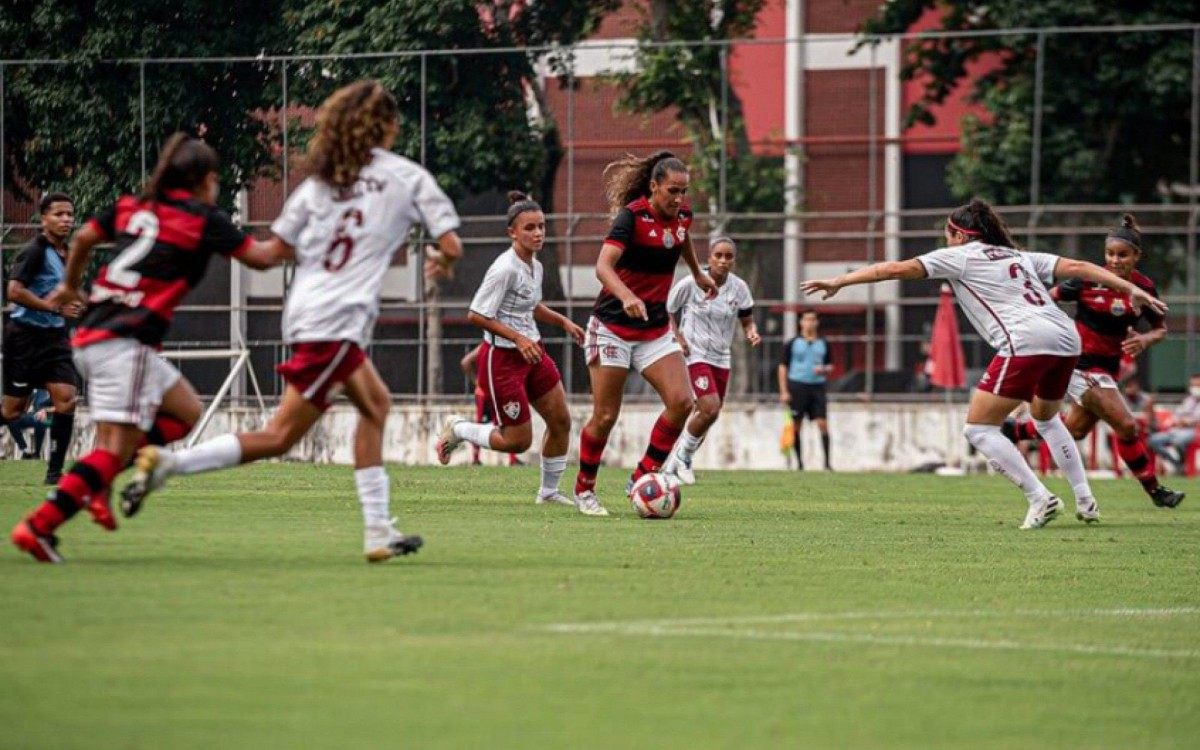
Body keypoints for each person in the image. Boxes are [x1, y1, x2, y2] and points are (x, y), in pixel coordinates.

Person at [120, 79, 463, 563]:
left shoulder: (318, 186)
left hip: (307, 313)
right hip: (337, 322)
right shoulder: (407, 177)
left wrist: (206, 224)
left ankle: (379, 530)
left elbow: (266, 256)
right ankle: (169, 465)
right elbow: (451, 243)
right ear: (386, 126)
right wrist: (442, 263)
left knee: (376, 405)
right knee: (280, 436)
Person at [801, 198, 1167, 529]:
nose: (946, 240)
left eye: (948, 233)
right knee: (1046, 419)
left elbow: (892, 268)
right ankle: (1086, 501)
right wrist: (1129, 288)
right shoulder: (1018, 256)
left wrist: (840, 281)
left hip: (1027, 340)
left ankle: (1040, 498)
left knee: (979, 430)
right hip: (1066, 338)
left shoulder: (958, 256)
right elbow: (1080, 267)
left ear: (959, 235)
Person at [10, 134, 289, 563]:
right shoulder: (202, 217)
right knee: (110, 452)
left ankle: (97, 481)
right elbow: (264, 257)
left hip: (96, 336)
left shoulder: (131, 207)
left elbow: (84, 238)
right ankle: (41, 524)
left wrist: (69, 285)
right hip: (124, 342)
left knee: (186, 412)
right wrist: (308, 230)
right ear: (203, 180)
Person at [572, 151, 718, 515]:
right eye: (672, 190)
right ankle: (584, 489)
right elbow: (603, 267)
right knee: (605, 416)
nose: (679, 199)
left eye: (684, 191)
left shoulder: (683, 215)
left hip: (653, 331)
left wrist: (697, 273)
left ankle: (642, 476)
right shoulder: (631, 217)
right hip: (612, 328)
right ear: (653, 187)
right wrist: (627, 296)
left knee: (682, 402)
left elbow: (681, 238)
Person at [1003, 214, 1183, 508]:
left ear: (1137, 256)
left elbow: (1161, 328)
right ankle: (1156, 491)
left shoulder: (1144, 288)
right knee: (1127, 426)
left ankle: (1014, 430)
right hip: (1078, 363)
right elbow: (1048, 298)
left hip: (1107, 370)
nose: (1114, 260)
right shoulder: (1087, 281)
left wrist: (1145, 339)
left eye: (1122, 255)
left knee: (1075, 430)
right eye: (1110, 254)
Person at [436, 192, 585, 508]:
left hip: (534, 353)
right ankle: (459, 429)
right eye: (530, 228)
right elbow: (476, 314)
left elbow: (532, 306)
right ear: (512, 233)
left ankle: (548, 492)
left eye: (541, 226)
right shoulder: (503, 268)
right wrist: (518, 339)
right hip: (503, 360)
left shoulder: (536, 266)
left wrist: (563, 323)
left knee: (561, 421)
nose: (538, 233)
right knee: (518, 441)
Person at [660, 237, 759, 484]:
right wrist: (677, 336)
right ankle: (682, 458)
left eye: (728, 256)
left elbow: (746, 317)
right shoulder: (691, 283)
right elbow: (668, 309)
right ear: (709, 258)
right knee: (710, 407)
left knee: (708, 414)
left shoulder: (739, 288)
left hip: (722, 357)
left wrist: (751, 331)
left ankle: (674, 463)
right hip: (694, 354)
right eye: (718, 255)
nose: (723, 261)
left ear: (734, 260)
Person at [2, 192, 83, 484]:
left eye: (69, 214)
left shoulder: (68, 252)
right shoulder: (34, 250)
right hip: (24, 339)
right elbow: (14, 292)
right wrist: (52, 306)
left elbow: (65, 294)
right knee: (13, 410)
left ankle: (54, 474)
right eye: (58, 214)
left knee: (67, 400)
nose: (66, 220)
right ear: (43, 218)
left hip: (54, 338)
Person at [778, 310, 833, 471]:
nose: (810, 323)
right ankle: (799, 464)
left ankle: (827, 464)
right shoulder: (792, 343)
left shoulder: (823, 343)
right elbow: (782, 367)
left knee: (822, 423)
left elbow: (830, 365)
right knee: (796, 425)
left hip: (818, 386)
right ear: (801, 322)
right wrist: (784, 391)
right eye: (806, 319)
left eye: (813, 319)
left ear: (817, 322)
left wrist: (824, 370)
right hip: (797, 385)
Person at [460, 343, 523, 466]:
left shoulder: (499, 347)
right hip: (487, 393)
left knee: (506, 422)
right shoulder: (488, 346)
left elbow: (465, 362)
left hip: (495, 391)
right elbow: (465, 362)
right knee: (498, 422)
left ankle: (511, 459)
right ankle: (477, 458)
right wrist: (477, 382)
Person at [1148, 373, 1200, 474]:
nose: (1195, 388)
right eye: (1193, 385)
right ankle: (1177, 464)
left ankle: (1183, 463)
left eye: (1198, 385)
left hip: (1194, 431)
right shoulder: (1188, 400)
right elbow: (1176, 415)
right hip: (1177, 430)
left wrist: (1184, 422)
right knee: (1153, 440)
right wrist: (1174, 421)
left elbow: (1196, 419)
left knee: (1178, 441)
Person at [5, 389, 51, 459]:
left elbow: (43, 406)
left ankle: (37, 453)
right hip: (24, 415)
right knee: (11, 421)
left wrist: (44, 410)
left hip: (37, 415)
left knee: (40, 422)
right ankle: (24, 449)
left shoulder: (42, 389)